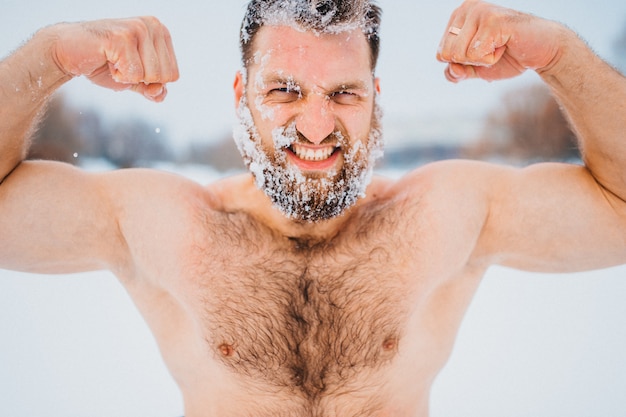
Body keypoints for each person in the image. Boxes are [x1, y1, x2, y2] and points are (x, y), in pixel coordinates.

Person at [1, 0, 625, 415]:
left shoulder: (443, 215)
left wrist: (560, 55)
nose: (318, 126)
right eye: (285, 90)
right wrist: (50, 57)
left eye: (344, 92)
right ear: (243, 94)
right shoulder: (162, 224)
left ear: (375, 96)